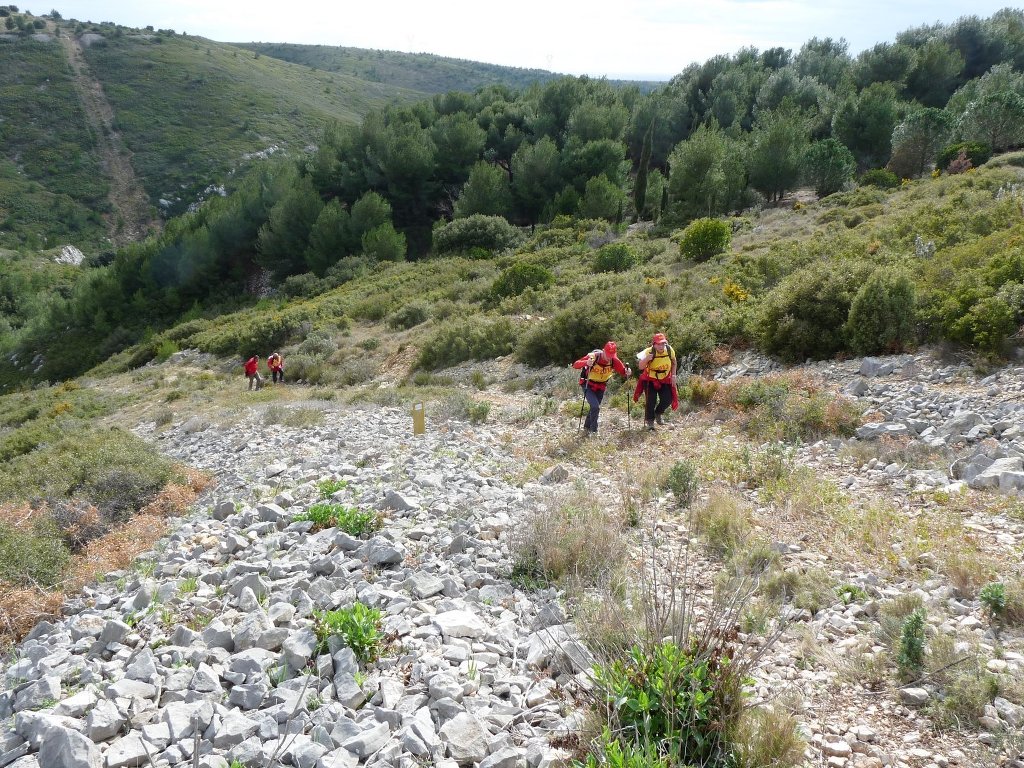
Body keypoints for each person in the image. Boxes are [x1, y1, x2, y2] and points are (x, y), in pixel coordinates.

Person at [571, 341, 632, 435]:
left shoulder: (614, 360)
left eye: (611, 355)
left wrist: (628, 372)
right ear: (603, 351)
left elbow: (623, 372)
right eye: (607, 354)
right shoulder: (593, 356)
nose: (609, 357)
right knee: (595, 406)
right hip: (588, 384)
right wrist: (586, 362)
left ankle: (586, 427)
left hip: (601, 386)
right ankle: (594, 431)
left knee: (594, 407)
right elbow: (575, 364)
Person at [634, 332, 677, 430]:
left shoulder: (670, 350)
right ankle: (650, 421)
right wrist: (646, 359)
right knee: (650, 400)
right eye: (659, 344)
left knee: (668, 399)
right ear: (654, 344)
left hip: (665, 378)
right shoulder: (649, 351)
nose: (661, 346)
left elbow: (674, 362)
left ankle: (658, 413)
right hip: (650, 378)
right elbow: (641, 367)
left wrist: (674, 375)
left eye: (663, 343)